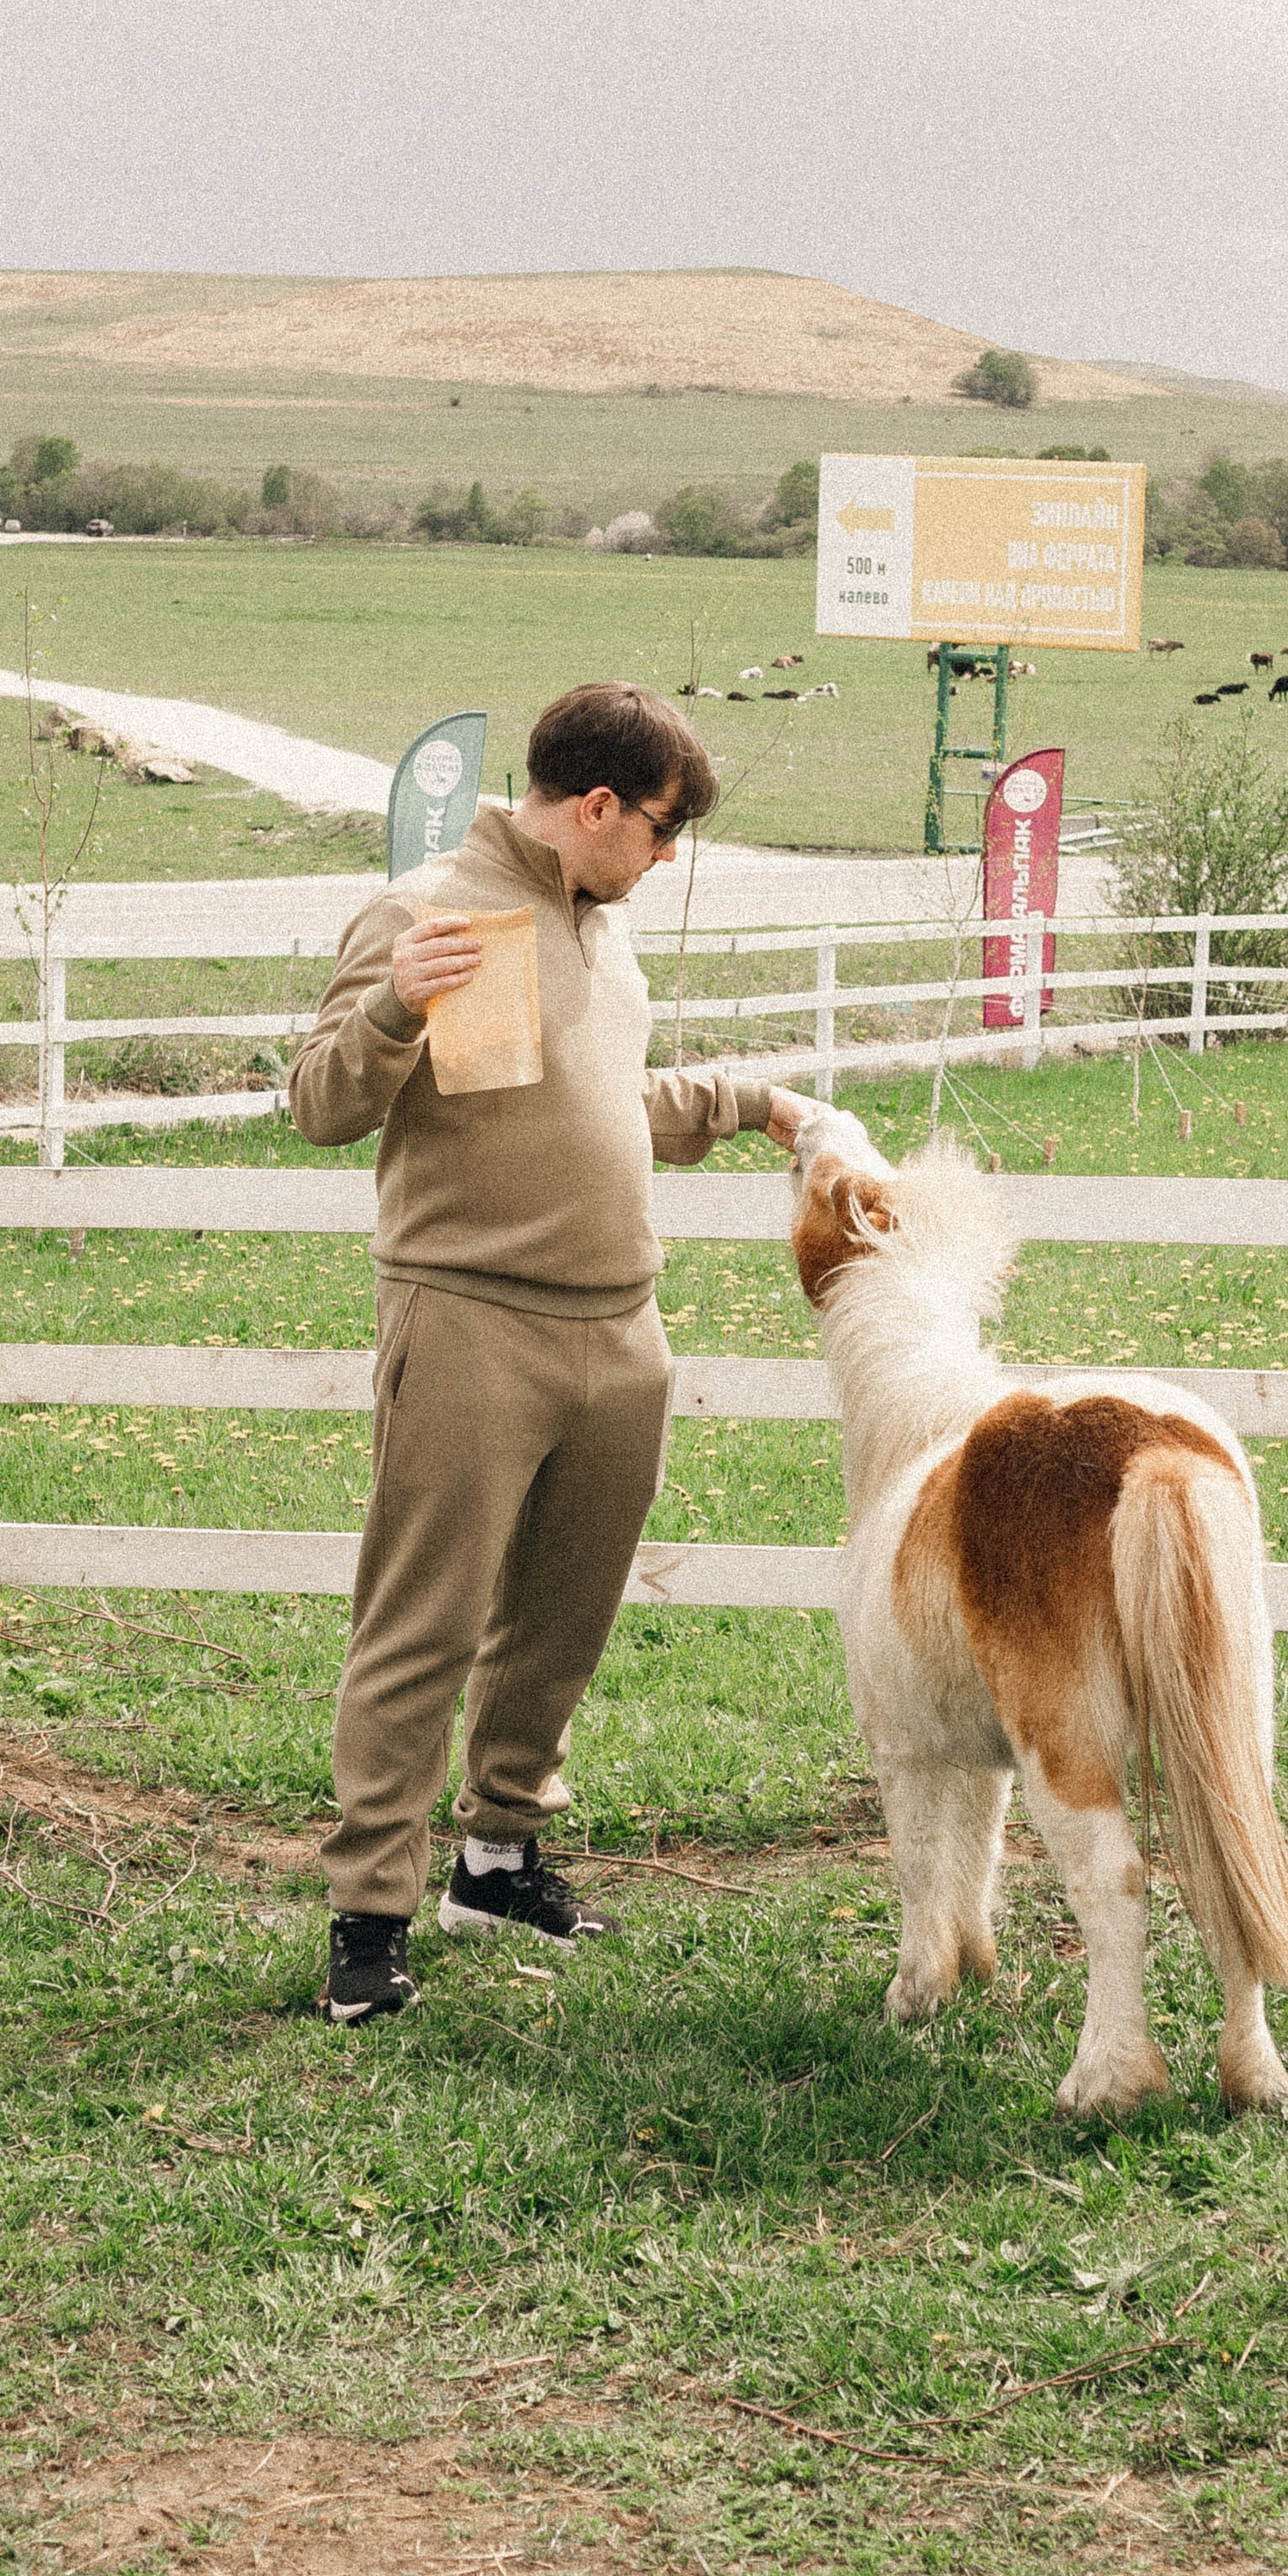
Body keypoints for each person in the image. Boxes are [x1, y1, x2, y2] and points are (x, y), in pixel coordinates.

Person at [288, 680, 812, 2022]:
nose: (666, 857)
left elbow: (602, 1099)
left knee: (561, 1621)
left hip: (619, 1330)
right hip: (471, 1323)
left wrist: (749, 1101)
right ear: (597, 806)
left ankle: (499, 1860)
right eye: (662, 829)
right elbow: (321, 1105)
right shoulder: (427, 917)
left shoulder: (597, 922)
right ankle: (369, 1916)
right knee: (423, 1626)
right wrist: (393, 1008)